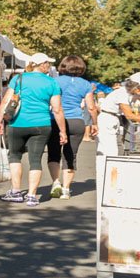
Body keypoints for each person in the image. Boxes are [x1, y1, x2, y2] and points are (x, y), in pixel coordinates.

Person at [0, 53, 66, 207]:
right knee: (35, 159)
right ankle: (32, 196)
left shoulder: (18, 79)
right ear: (42, 65)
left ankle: (15, 191)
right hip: (42, 124)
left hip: (17, 123)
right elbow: (57, 109)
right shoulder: (52, 82)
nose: (49, 65)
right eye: (47, 63)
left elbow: (5, 102)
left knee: (14, 156)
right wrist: (62, 131)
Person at [46, 55, 98, 200]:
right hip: (76, 121)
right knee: (71, 155)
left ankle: (56, 182)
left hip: (56, 120)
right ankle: (66, 189)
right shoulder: (86, 84)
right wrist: (94, 123)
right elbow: (91, 107)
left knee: (54, 153)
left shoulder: (54, 81)